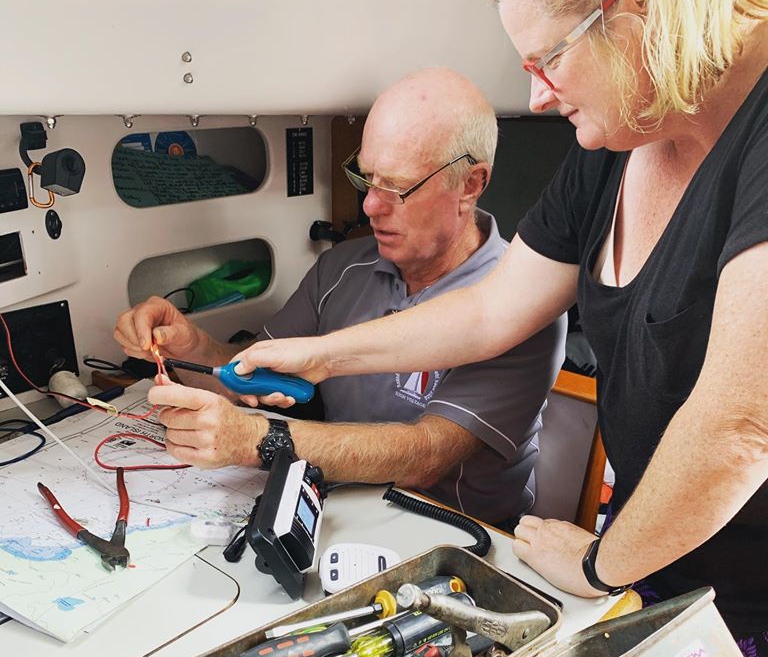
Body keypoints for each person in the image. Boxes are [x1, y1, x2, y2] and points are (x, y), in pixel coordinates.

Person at [230, 0, 768, 657]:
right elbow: (488, 311)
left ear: (637, 6)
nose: (538, 97)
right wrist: (317, 353)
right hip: (659, 542)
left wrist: (602, 566)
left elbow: (739, 432)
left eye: (549, 58)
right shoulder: (621, 143)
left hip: (747, 564)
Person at [114, 68, 565, 526]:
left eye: (398, 186)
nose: (370, 205)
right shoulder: (342, 267)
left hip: (459, 536)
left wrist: (257, 440)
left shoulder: (523, 301)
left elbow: (424, 458)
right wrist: (193, 348)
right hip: (338, 507)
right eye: (367, 178)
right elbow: (254, 379)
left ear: (470, 184)